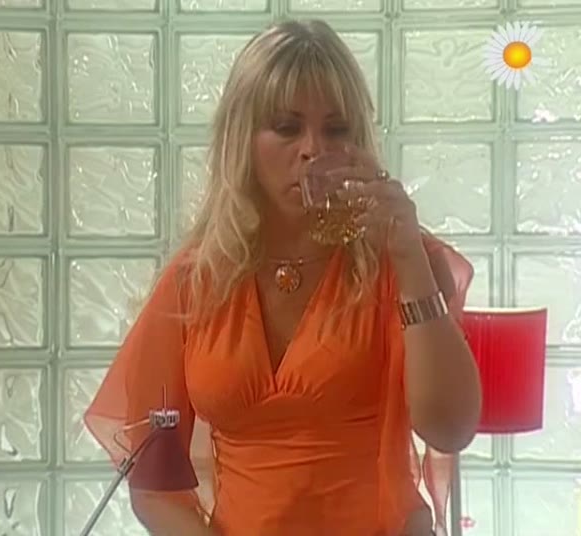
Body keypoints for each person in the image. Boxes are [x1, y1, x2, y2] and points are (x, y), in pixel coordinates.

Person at [84, 19, 482, 536]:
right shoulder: (197, 279)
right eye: (287, 127)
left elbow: (450, 429)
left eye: (336, 129)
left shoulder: (403, 261)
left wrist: (408, 259)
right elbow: (154, 487)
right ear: (242, 140)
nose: (313, 149)